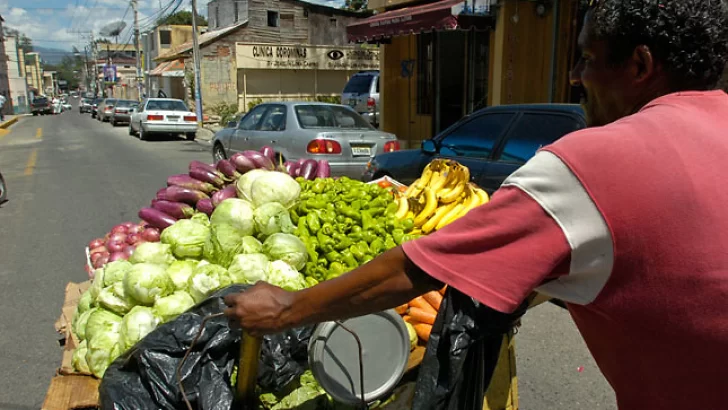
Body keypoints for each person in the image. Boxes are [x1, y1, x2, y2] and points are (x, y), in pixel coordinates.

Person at [224, 0, 728, 408]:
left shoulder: (598, 161)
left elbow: (419, 270)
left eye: (587, 59)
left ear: (639, 65)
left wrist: (287, 308)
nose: (575, 76)